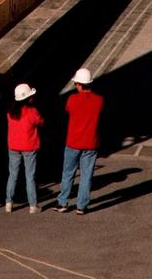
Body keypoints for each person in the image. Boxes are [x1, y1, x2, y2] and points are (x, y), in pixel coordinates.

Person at [55, 67, 103, 215]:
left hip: (73, 142)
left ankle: (63, 202)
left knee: (68, 173)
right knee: (86, 175)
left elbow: (68, 110)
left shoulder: (72, 99)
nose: (75, 85)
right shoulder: (99, 100)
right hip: (90, 143)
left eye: (76, 83)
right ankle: (81, 206)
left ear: (80, 85)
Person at [5, 83, 43, 213]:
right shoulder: (32, 112)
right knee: (30, 176)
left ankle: (8, 203)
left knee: (13, 175)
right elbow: (41, 122)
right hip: (29, 147)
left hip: (13, 147)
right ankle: (33, 205)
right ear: (27, 98)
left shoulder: (10, 113)